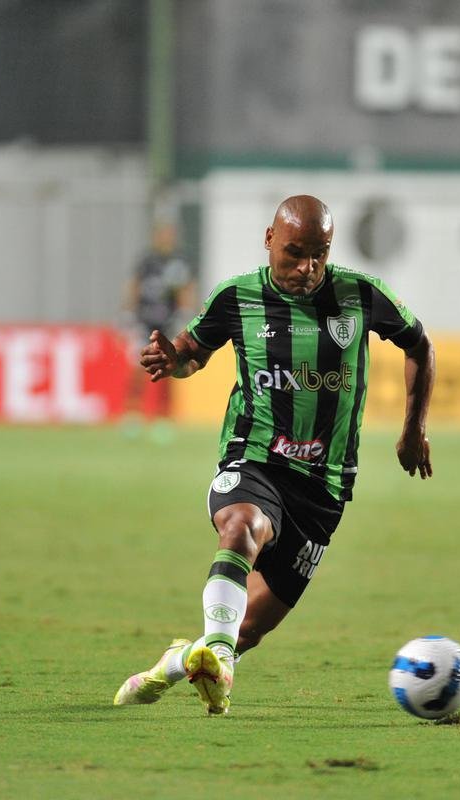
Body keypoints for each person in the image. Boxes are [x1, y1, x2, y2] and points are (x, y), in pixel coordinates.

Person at [113, 194, 436, 715]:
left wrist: (412, 427)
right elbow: (191, 354)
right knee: (242, 525)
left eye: (320, 253)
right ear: (269, 239)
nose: (307, 267)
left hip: (324, 487)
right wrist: (173, 361)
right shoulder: (236, 298)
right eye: (294, 252)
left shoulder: (360, 295)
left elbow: (420, 346)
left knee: (248, 629)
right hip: (256, 458)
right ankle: (216, 652)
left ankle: (179, 663)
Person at [122, 221, 196, 430]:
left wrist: (185, 313)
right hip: (144, 321)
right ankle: (132, 415)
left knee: (168, 368)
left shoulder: (179, 262)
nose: (167, 239)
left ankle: (163, 417)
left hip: (167, 322)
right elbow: (134, 285)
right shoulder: (146, 260)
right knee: (137, 368)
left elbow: (186, 288)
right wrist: (128, 313)